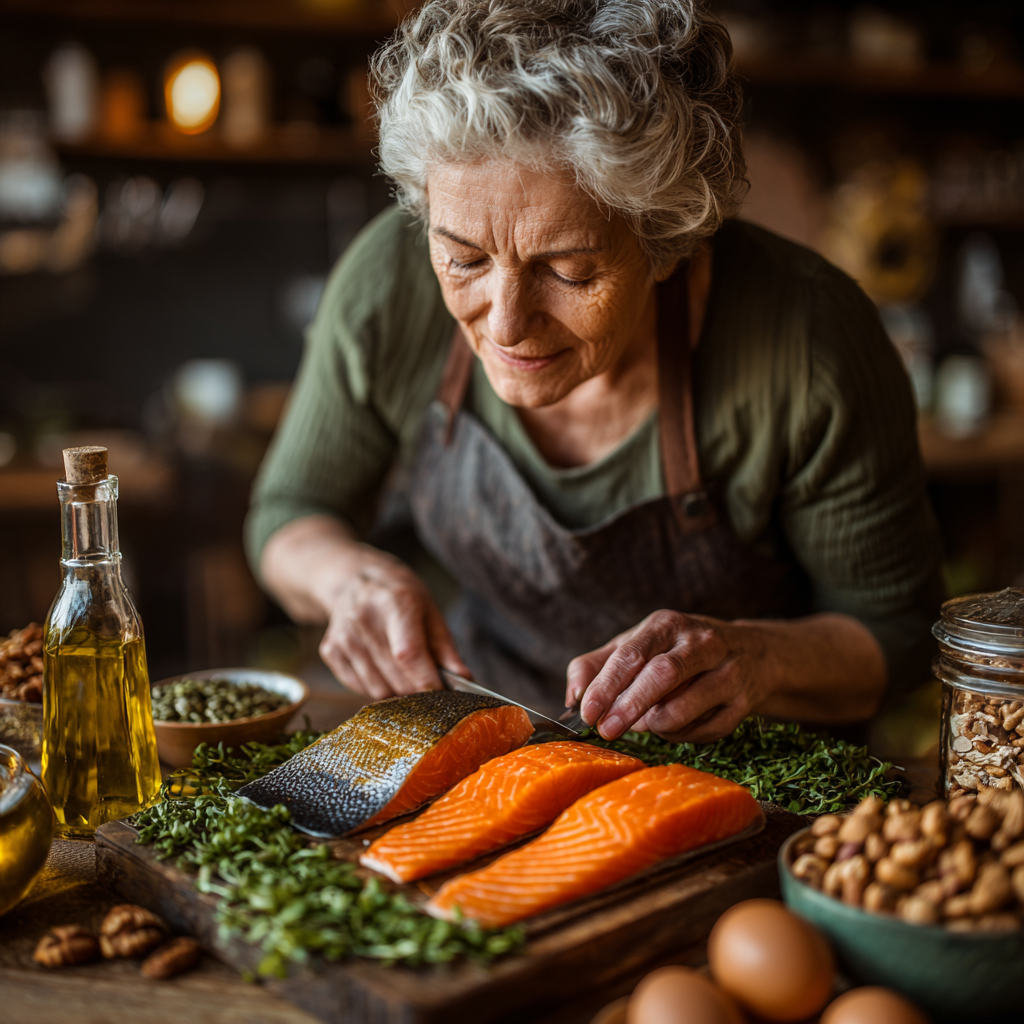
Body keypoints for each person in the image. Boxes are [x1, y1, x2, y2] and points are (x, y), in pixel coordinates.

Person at [246, 0, 944, 744]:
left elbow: (897, 636)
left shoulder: (808, 340)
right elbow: (287, 517)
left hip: (760, 780)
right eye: (463, 259)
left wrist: (756, 659)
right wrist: (348, 580)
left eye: (571, 272)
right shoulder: (387, 282)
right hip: (493, 745)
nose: (506, 322)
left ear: (666, 239)